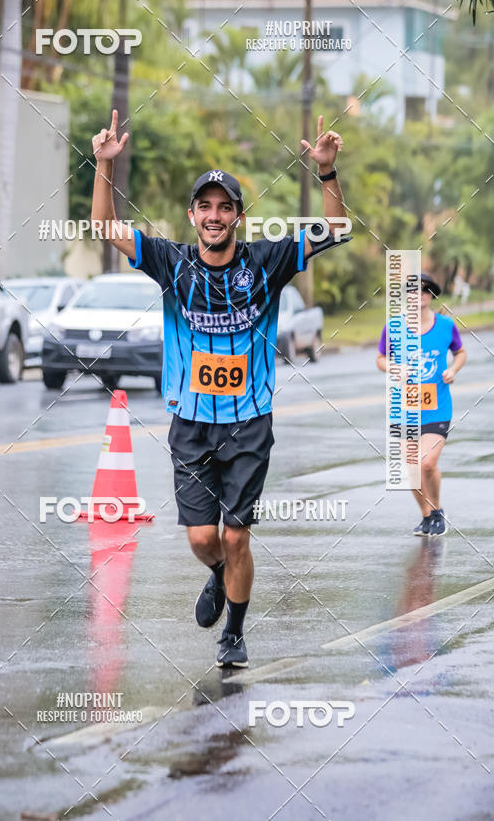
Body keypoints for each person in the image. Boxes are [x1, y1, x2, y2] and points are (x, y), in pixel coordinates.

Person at [91, 109, 350, 668]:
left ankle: (234, 633)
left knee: (237, 537)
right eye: (204, 206)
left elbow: (337, 229)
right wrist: (104, 167)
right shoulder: (171, 262)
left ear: (237, 216)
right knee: (203, 541)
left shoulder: (266, 260)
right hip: (190, 421)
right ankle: (217, 575)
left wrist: (327, 174)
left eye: (225, 206)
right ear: (192, 215)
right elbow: (107, 228)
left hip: (249, 421)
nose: (214, 215)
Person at [376, 272, 466, 537]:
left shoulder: (446, 325)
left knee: (427, 463)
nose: (419, 295)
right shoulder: (393, 327)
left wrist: (453, 370)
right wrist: (393, 367)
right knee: (412, 469)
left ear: (432, 295)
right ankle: (427, 517)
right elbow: (381, 358)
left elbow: (460, 352)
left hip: (437, 405)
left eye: (426, 290)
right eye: (414, 290)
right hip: (405, 408)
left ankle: (437, 510)